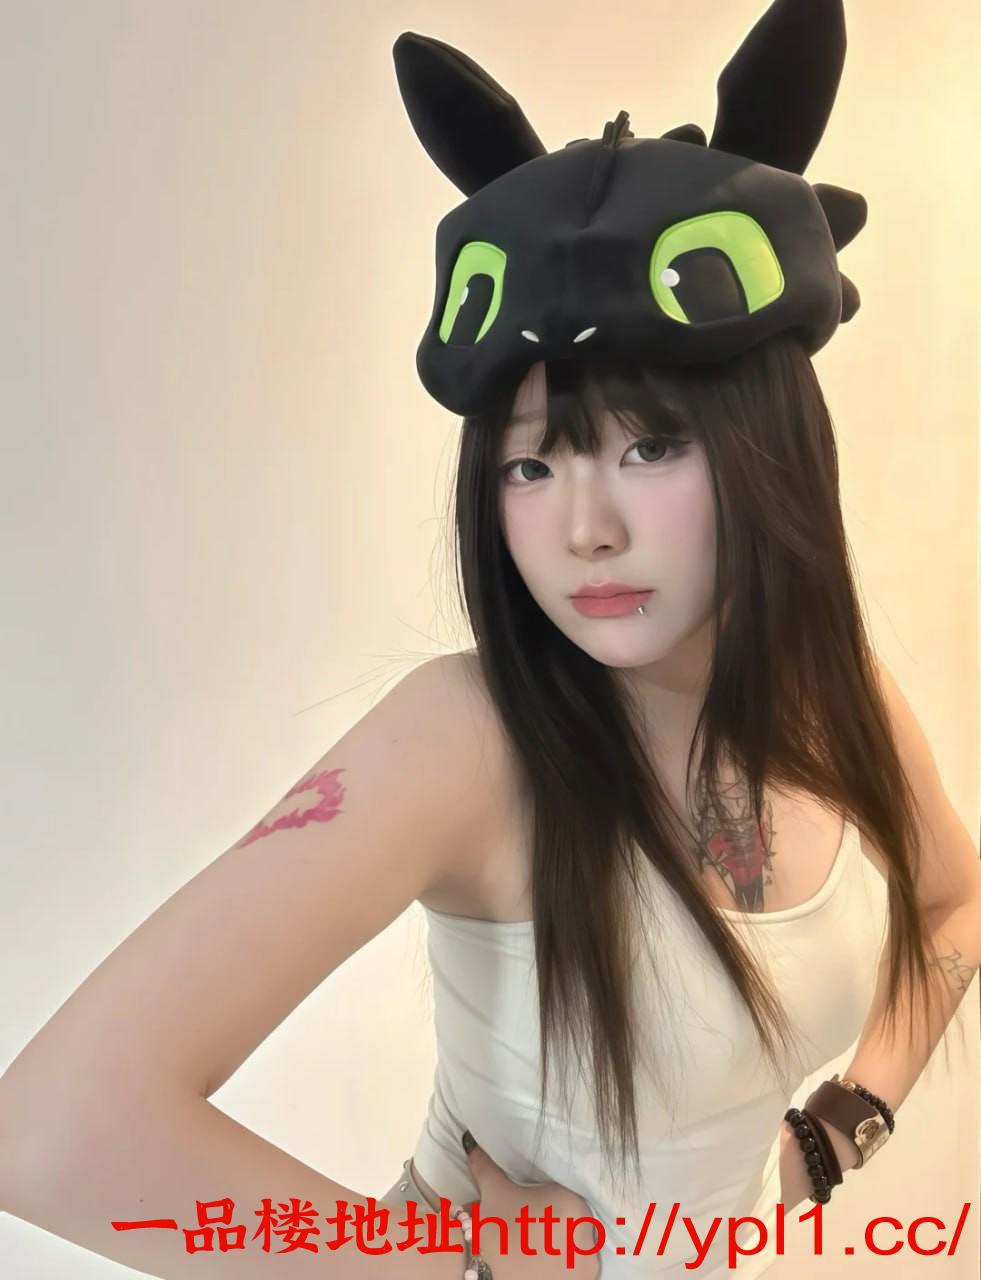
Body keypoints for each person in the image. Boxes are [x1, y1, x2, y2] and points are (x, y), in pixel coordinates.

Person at [2, 2, 979, 1279]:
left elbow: (956, 902)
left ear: (769, 446)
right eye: (531, 464)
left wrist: (844, 1124)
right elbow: (56, 1129)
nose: (585, 528)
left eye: (650, 446)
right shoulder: (469, 737)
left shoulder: (836, 698)